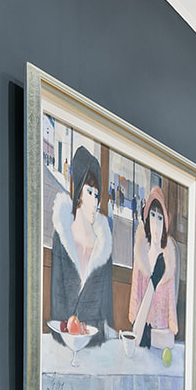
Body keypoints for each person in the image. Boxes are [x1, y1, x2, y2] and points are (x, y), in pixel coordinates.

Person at [49, 146, 113, 343]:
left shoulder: (104, 245)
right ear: (78, 192)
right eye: (90, 192)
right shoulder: (61, 238)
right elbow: (56, 304)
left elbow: (107, 311)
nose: (95, 201)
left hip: (96, 345)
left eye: (97, 194)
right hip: (64, 342)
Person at [128, 187, 178, 350]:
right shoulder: (141, 254)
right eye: (153, 216)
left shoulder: (168, 259)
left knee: (166, 344)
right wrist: (134, 317)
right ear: (147, 218)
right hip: (142, 324)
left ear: (165, 223)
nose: (156, 223)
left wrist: (172, 323)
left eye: (160, 218)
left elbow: (171, 295)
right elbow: (135, 292)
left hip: (162, 329)